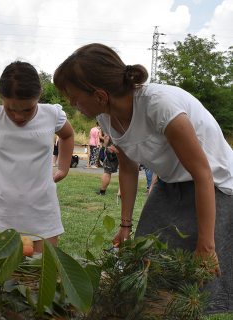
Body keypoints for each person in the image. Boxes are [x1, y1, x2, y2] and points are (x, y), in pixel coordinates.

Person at [53, 43, 233, 315]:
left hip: (214, 186)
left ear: (101, 95)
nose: (71, 103)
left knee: (191, 274)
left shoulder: (160, 106)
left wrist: (207, 244)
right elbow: (127, 167)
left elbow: (202, 173)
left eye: (75, 97)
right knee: (145, 261)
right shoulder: (106, 116)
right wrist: (125, 225)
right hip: (170, 182)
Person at [0, 61, 74, 254]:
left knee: (41, 266)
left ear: (39, 94)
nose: (18, 116)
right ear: (0, 96)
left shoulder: (52, 115)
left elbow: (67, 135)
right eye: (10, 109)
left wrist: (63, 168)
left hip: (41, 207)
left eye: (26, 110)